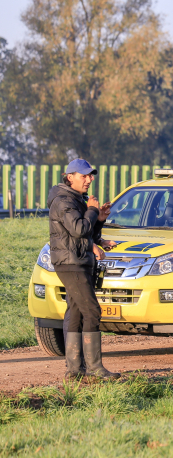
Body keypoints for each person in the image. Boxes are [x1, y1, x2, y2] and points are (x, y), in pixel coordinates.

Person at [47, 158, 120, 380]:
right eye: (84, 176)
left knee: (77, 312)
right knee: (92, 311)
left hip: (77, 260)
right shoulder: (63, 201)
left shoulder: (76, 199)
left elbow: (85, 233)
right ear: (70, 177)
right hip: (71, 263)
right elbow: (79, 229)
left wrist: (98, 220)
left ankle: (74, 371)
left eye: (90, 175)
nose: (90, 179)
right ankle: (94, 368)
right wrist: (91, 211)